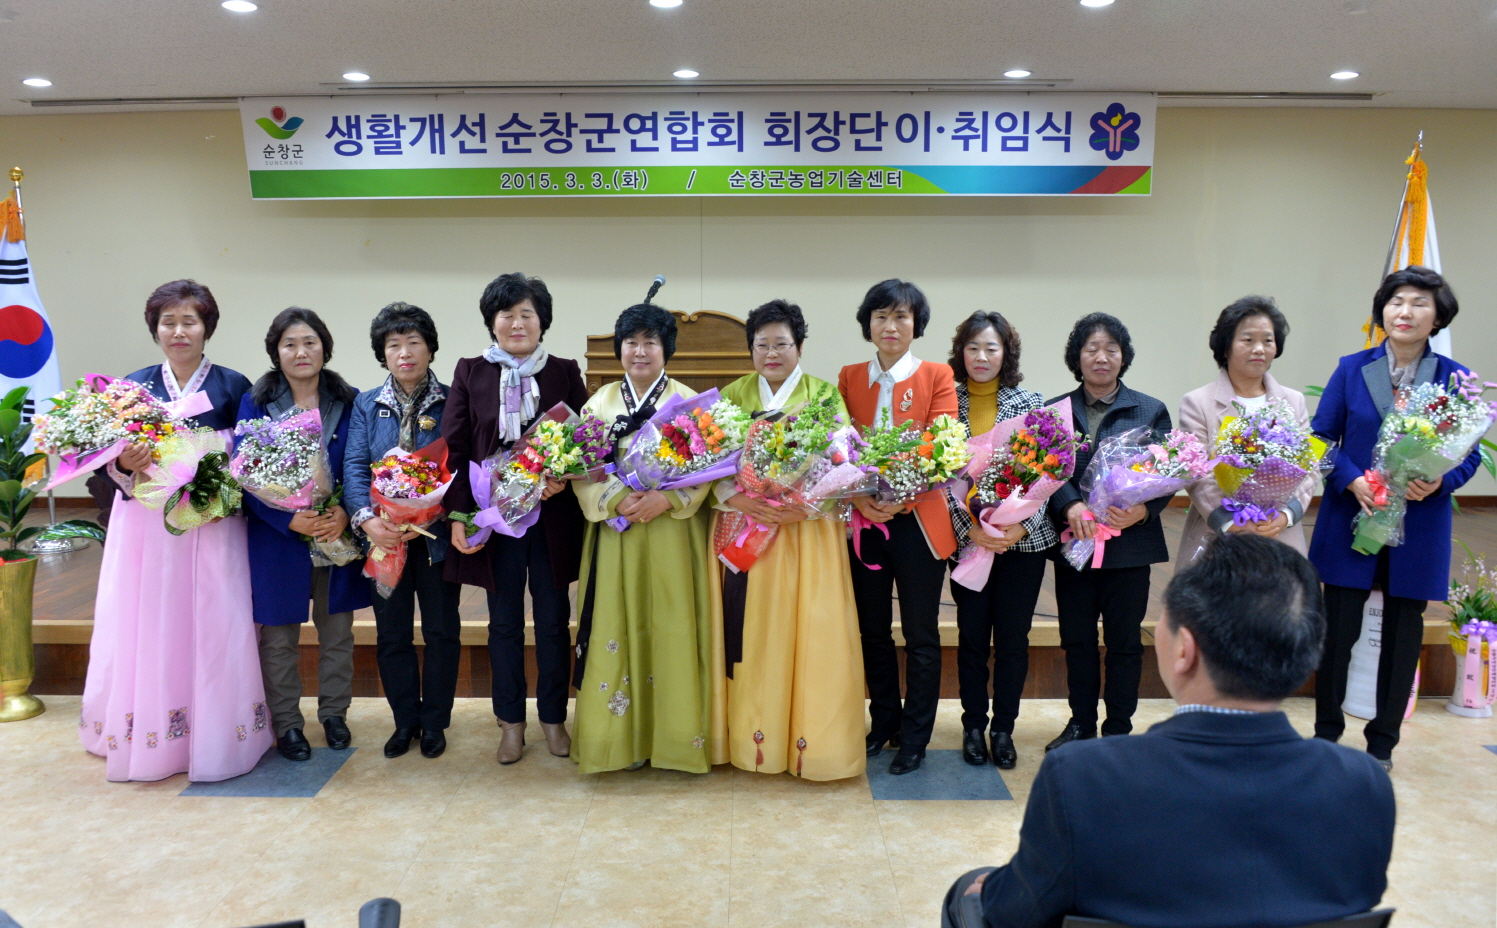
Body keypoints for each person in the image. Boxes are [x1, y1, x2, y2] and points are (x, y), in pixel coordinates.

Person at [943, 534, 1394, 928]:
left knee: (968, 893)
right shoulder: (1363, 783)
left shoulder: (1082, 776)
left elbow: (1013, 914)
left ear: (1184, 650)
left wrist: (992, 888)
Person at [78, 279, 273, 781]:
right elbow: (106, 462)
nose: (179, 331)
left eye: (190, 321)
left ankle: (217, 736)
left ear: (207, 327)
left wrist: (221, 487)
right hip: (147, 530)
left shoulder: (233, 386)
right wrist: (124, 460)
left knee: (215, 619)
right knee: (150, 621)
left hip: (213, 526)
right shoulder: (133, 388)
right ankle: (151, 735)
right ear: (155, 329)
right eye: (169, 322)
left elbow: (250, 457)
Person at [1309, 265, 1480, 771]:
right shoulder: (1351, 368)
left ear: (1438, 318)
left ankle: (1382, 744)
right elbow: (1320, 439)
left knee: (1403, 639)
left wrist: (1441, 482)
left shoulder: (1455, 379)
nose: (1406, 311)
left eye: (1420, 303)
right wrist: (1351, 479)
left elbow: (1469, 453)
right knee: (1338, 635)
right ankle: (1326, 737)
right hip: (1353, 516)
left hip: (1418, 526)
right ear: (1382, 311)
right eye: (1397, 301)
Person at [707, 299, 865, 780]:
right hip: (748, 530)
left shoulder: (823, 395)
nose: (772, 354)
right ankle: (750, 740)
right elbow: (709, 463)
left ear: (799, 347)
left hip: (805, 533)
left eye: (782, 344)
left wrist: (807, 504)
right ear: (750, 349)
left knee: (809, 630)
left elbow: (842, 462)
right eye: (762, 345)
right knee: (754, 632)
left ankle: (810, 744)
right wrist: (738, 497)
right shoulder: (732, 395)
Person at [443, 273, 589, 765]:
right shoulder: (471, 372)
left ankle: (553, 718)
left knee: (552, 620)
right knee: (503, 623)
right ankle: (510, 722)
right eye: (507, 314)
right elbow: (455, 446)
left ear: (542, 321)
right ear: (492, 322)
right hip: (497, 520)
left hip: (551, 519)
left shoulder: (564, 371)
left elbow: (584, 440)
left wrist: (563, 476)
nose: (518, 322)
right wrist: (460, 515)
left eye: (528, 313)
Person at [571, 302, 715, 774]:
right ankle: (618, 742)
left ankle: (675, 741)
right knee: (615, 621)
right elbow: (581, 468)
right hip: (618, 532)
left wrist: (667, 500)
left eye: (650, 341)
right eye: (631, 342)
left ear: (666, 349)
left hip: (672, 532)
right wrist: (616, 499)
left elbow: (708, 470)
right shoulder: (599, 403)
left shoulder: (689, 402)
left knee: (672, 625)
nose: (639, 351)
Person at [837, 279, 959, 776]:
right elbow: (837, 447)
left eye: (901, 316)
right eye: (881, 316)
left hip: (918, 523)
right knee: (872, 630)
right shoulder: (849, 377)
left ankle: (915, 736)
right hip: (865, 521)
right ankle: (883, 720)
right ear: (868, 324)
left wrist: (900, 492)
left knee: (921, 634)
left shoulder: (937, 374)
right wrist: (861, 496)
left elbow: (942, 443)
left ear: (916, 325)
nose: (891, 326)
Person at [238, 307, 369, 762]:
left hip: (335, 533)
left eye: (310, 342)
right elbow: (243, 475)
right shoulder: (256, 401)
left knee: (338, 634)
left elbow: (362, 462)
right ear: (276, 352)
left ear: (324, 348)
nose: (300, 352)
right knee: (278, 639)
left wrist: (346, 513)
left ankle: (334, 715)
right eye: (289, 344)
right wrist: (286, 520)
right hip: (279, 540)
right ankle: (288, 724)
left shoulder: (349, 399)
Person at [1045, 313, 1171, 751]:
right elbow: (1048, 470)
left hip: (1129, 547)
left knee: (1124, 643)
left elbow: (1169, 473)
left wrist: (1142, 512)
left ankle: (1118, 730)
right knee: (1077, 640)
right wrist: (1070, 504)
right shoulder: (1057, 410)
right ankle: (1081, 723)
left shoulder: (1150, 410)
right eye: (1092, 349)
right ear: (1077, 357)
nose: (1102, 357)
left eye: (1111, 349)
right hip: (1076, 542)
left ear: (1123, 357)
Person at [344, 302, 462, 760]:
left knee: (441, 631)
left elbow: (462, 466)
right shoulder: (366, 403)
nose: (405, 353)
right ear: (383, 354)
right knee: (392, 634)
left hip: (434, 541)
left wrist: (429, 516)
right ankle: (404, 721)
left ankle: (434, 723)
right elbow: (355, 466)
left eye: (414, 342)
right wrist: (368, 520)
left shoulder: (453, 399)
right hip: (383, 541)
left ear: (430, 348)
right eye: (394, 345)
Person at [942, 311, 1055, 770]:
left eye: (991, 347)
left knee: (1013, 639)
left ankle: (1003, 728)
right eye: (973, 347)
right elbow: (940, 477)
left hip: (1020, 544)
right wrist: (967, 526)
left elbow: (1051, 471)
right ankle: (973, 725)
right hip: (968, 541)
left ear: (1006, 353)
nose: (981, 356)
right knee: (971, 638)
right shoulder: (946, 402)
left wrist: (1021, 525)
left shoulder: (1031, 402)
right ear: (961, 353)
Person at [1177, 296, 1311, 564]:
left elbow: (1309, 467)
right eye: (1248, 340)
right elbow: (1196, 472)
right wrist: (1232, 521)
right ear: (1225, 347)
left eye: (1268, 340)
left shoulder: (1293, 401)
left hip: (1279, 534)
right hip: (1218, 537)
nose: (1259, 349)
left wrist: (1286, 515)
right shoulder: (1197, 402)